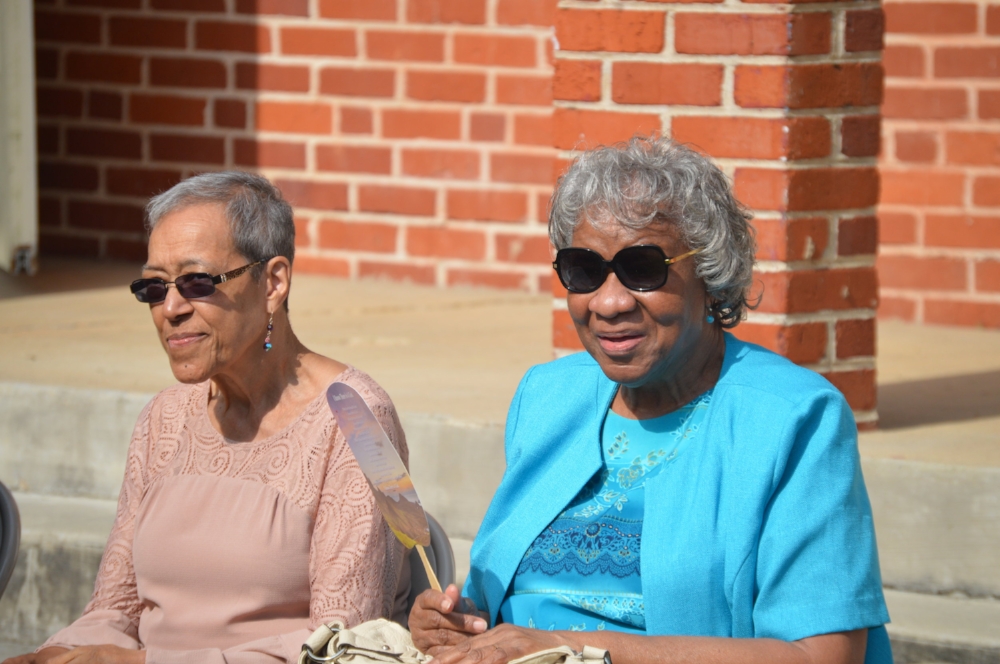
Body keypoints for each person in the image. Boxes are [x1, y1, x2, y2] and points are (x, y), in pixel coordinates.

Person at [409, 136, 892, 664]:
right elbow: (512, 608)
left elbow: (822, 656)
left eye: (643, 269)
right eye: (583, 270)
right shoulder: (548, 397)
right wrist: (461, 625)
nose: (610, 302)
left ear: (709, 273)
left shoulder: (792, 419)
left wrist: (579, 649)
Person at [4, 172, 409, 664]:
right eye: (154, 287)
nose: (170, 308)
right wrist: (56, 654)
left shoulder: (354, 419)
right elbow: (114, 608)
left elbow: (342, 644)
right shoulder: (164, 419)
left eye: (197, 282)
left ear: (273, 283)